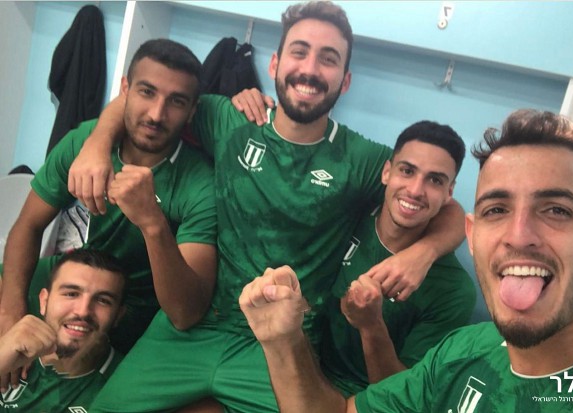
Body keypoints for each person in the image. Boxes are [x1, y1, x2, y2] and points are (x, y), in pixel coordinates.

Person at [77, 2, 465, 412]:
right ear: (276, 63)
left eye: (328, 59)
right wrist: (96, 145)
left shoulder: (362, 160)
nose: (310, 69)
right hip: (196, 330)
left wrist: (423, 254)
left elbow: (448, 207)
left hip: (281, 341)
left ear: (345, 80)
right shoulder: (227, 119)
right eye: (299, 52)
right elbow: (143, 97)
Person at [240, 109, 573, 412]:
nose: (519, 236)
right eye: (497, 210)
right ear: (472, 234)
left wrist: (375, 320)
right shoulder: (462, 351)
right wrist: (281, 340)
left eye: (556, 210)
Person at [0, 37, 217, 370]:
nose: (156, 114)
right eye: (147, 92)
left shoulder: (199, 182)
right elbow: (28, 225)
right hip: (81, 275)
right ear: (125, 89)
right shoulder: (84, 142)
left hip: (140, 304)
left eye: (176, 101)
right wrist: (11, 313)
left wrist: (152, 222)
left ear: (192, 111)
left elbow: (185, 312)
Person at [320, 120, 476, 395]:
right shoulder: (348, 213)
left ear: (449, 193)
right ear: (386, 172)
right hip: (307, 367)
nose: (415, 190)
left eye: (435, 180)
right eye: (407, 171)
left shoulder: (454, 291)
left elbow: (404, 396)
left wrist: (371, 326)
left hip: (369, 400)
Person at [0, 249, 127, 412]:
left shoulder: (123, 387)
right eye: (71, 294)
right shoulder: (10, 340)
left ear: (118, 315)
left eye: (103, 300)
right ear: (44, 301)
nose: (83, 311)